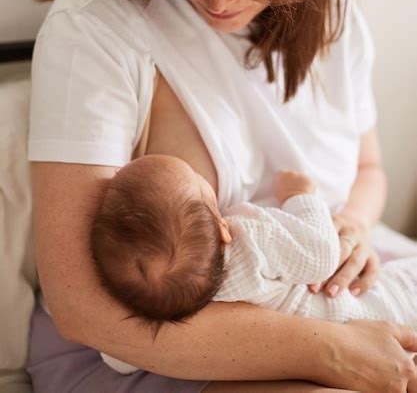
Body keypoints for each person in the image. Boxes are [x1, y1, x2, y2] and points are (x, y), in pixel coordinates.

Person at [27, 0, 417, 391]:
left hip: (335, 298)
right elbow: (85, 310)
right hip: (157, 344)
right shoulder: (98, 26)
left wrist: (353, 229)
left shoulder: (333, 19)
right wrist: (330, 350)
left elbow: (369, 172)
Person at [78, 154, 417, 375]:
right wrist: (301, 197)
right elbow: (320, 256)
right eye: (199, 182)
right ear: (222, 228)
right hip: (360, 311)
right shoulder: (248, 243)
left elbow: (117, 358)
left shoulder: (164, 307)